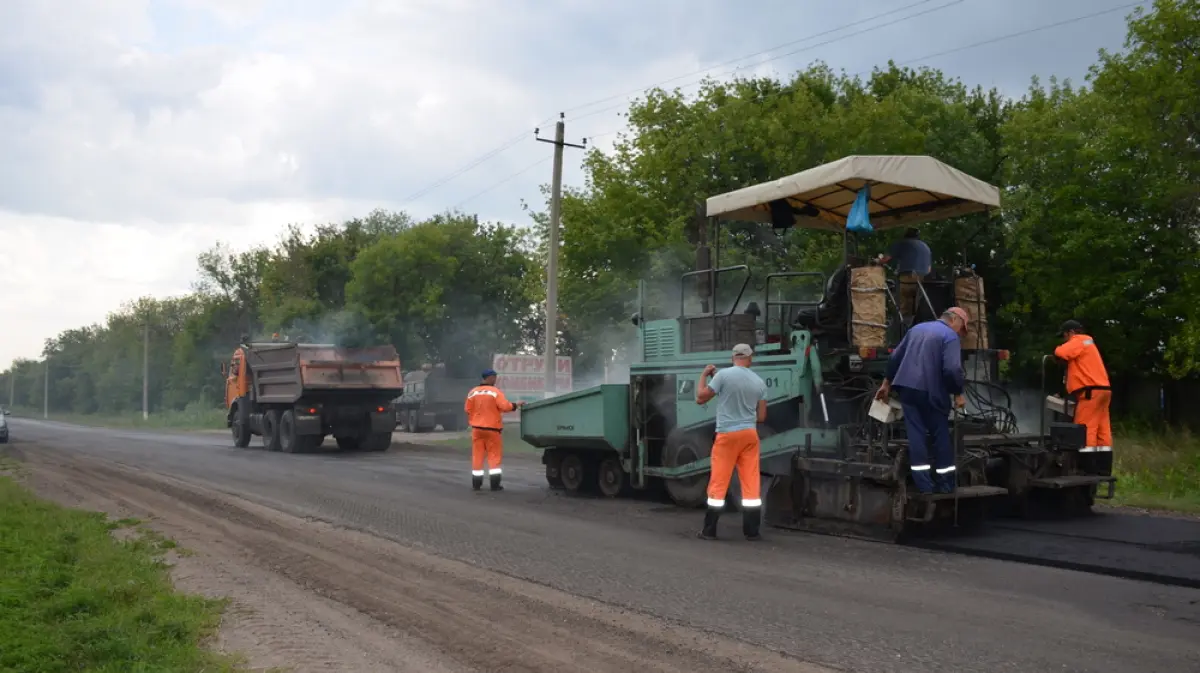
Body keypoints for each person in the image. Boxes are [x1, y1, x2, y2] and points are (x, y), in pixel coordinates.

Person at [875, 307, 968, 494]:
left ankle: (924, 486)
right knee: (940, 434)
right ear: (955, 320)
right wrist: (957, 392)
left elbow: (895, 357)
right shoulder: (950, 336)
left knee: (916, 434)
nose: (961, 332)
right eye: (962, 327)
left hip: (907, 389)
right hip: (931, 391)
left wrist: (886, 384)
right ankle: (945, 484)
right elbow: (952, 370)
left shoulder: (916, 330)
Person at [694, 343, 769, 541]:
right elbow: (761, 416)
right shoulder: (759, 382)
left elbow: (701, 398)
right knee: (751, 484)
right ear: (750, 358)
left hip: (727, 435)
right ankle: (752, 532)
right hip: (749, 436)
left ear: (732, 357)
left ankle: (709, 531)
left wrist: (704, 375)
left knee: (719, 481)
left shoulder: (723, 375)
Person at [1053, 320, 1112, 473]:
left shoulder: (1079, 340)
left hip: (1090, 392)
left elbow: (1061, 352)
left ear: (1071, 332)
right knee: (1102, 429)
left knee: (1084, 429)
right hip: (1103, 390)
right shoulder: (1088, 344)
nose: (1064, 340)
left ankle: (1087, 468)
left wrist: (1058, 351)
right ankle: (1103, 468)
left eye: (1064, 336)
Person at [464, 369, 524, 491]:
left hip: (476, 429)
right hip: (492, 429)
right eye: (494, 377)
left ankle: (476, 484)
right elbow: (505, 406)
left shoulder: (473, 392)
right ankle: (495, 485)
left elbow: (467, 409)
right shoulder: (495, 392)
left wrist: (476, 418)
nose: (496, 380)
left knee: (477, 456)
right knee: (494, 456)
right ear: (489, 378)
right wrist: (516, 405)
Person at [880, 227, 933, 325]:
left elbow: (885, 259)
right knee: (918, 305)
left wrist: (877, 261)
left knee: (904, 304)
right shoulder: (926, 246)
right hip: (924, 279)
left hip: (908, 277)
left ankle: (902, 329)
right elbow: (929, 268)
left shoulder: (902, 243)